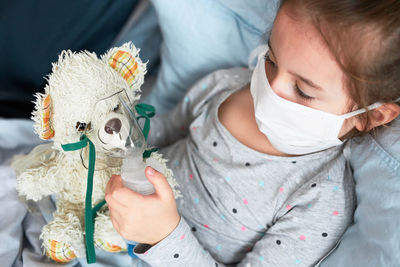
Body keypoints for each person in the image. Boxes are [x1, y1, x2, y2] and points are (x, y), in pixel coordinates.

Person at [105, 0, 400, 266]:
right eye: (271, 60)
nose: (271, 88)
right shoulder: (229, 87)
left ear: (371, 115)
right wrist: (114, 134)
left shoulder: (320, 197)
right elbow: (165, 130)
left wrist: (162, 236)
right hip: (101, 206)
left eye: (302, 90)